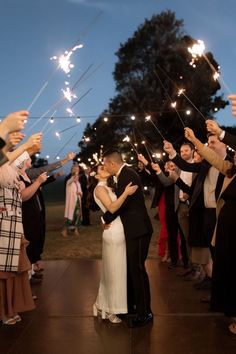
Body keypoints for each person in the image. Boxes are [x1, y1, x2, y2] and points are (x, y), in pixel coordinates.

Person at [184, 127, 236, 335]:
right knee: (229, 272)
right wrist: (195, 140)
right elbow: (211, 158)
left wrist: (221, 133)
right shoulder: (231, 170)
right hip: (227, 231)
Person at [102, 148, 153, 328]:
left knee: (138, 270)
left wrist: (105, 218)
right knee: (133, 269)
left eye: (105, 164)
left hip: (138, 229)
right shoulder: (124, 174)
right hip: (134, 229)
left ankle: (145, 312)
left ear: (113, 163)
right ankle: (136, 307)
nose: (104, 167)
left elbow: (124, 204)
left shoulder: (127, 174)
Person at [92, 164, 137, 323]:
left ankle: (103, 304)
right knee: (113, 271)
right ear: (97, 175)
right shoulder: (99, 189)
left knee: (116, 270)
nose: (105, 168)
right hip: (113, 232)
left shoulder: (108, 187)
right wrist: (125, 193)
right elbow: (111, 208)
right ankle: (111, 309)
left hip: (117, 228)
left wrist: (103, 220)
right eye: (101, 168)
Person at [62, 165, 83, 237]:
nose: (77, 177)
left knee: (78, 216)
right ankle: (64, 231)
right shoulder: (69, 182)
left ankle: (76, 230)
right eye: (76, 177)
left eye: (78, 177)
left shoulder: (78, 183)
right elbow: (72, 179)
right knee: (69, 217)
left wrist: (80, 193)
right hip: (71, 202)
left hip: (78, 201)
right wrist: (75, 174)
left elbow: (81, 192)